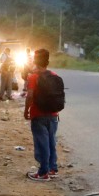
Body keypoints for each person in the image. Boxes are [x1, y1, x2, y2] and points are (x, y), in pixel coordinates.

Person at [24, 49, 60, 181]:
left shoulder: (34, 77)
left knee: (42, 143)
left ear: (35, 60)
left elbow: (30, 96)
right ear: (47, 61)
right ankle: (52, 168)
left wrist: (26, 110)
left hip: (38, 115)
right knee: (51, 142)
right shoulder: (54, 75)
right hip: (53, 115)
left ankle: (43, 172)